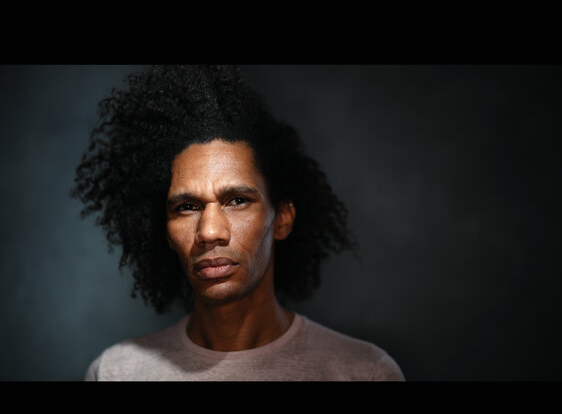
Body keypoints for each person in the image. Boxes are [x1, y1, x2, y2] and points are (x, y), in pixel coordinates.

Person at [73, 65, 405, 381]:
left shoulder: (362, 373)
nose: (209, 231)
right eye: (187, 207)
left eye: (237, 201)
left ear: (282, 218)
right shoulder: (116, 373)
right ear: (166, 230)